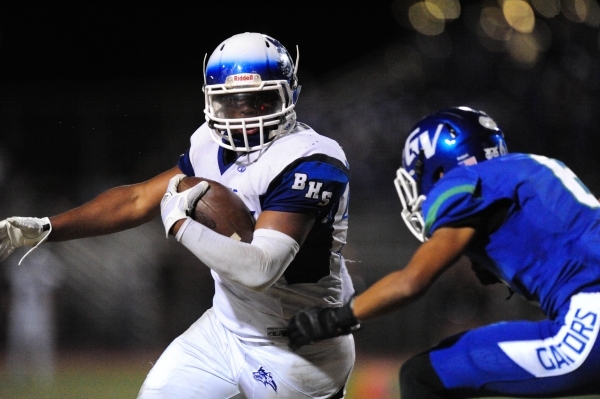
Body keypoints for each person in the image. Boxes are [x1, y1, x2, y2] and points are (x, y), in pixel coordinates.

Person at [0, 32, 354, 399]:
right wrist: (47, 227)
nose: (245, 113)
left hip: (299, 347)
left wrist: (180, 223)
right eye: (232, 102)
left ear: (288, 95)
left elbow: (260, 269)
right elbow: (138, 199)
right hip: (226, 329)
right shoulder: (208, 143)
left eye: (260, 101)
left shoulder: (311, 159)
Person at [287, 106, 600, 398]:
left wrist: (336, 318)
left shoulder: (464, 181)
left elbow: (412, 282)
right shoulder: (528, 167)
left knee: (424, 374)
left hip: (590, 317)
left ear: (439, 170)